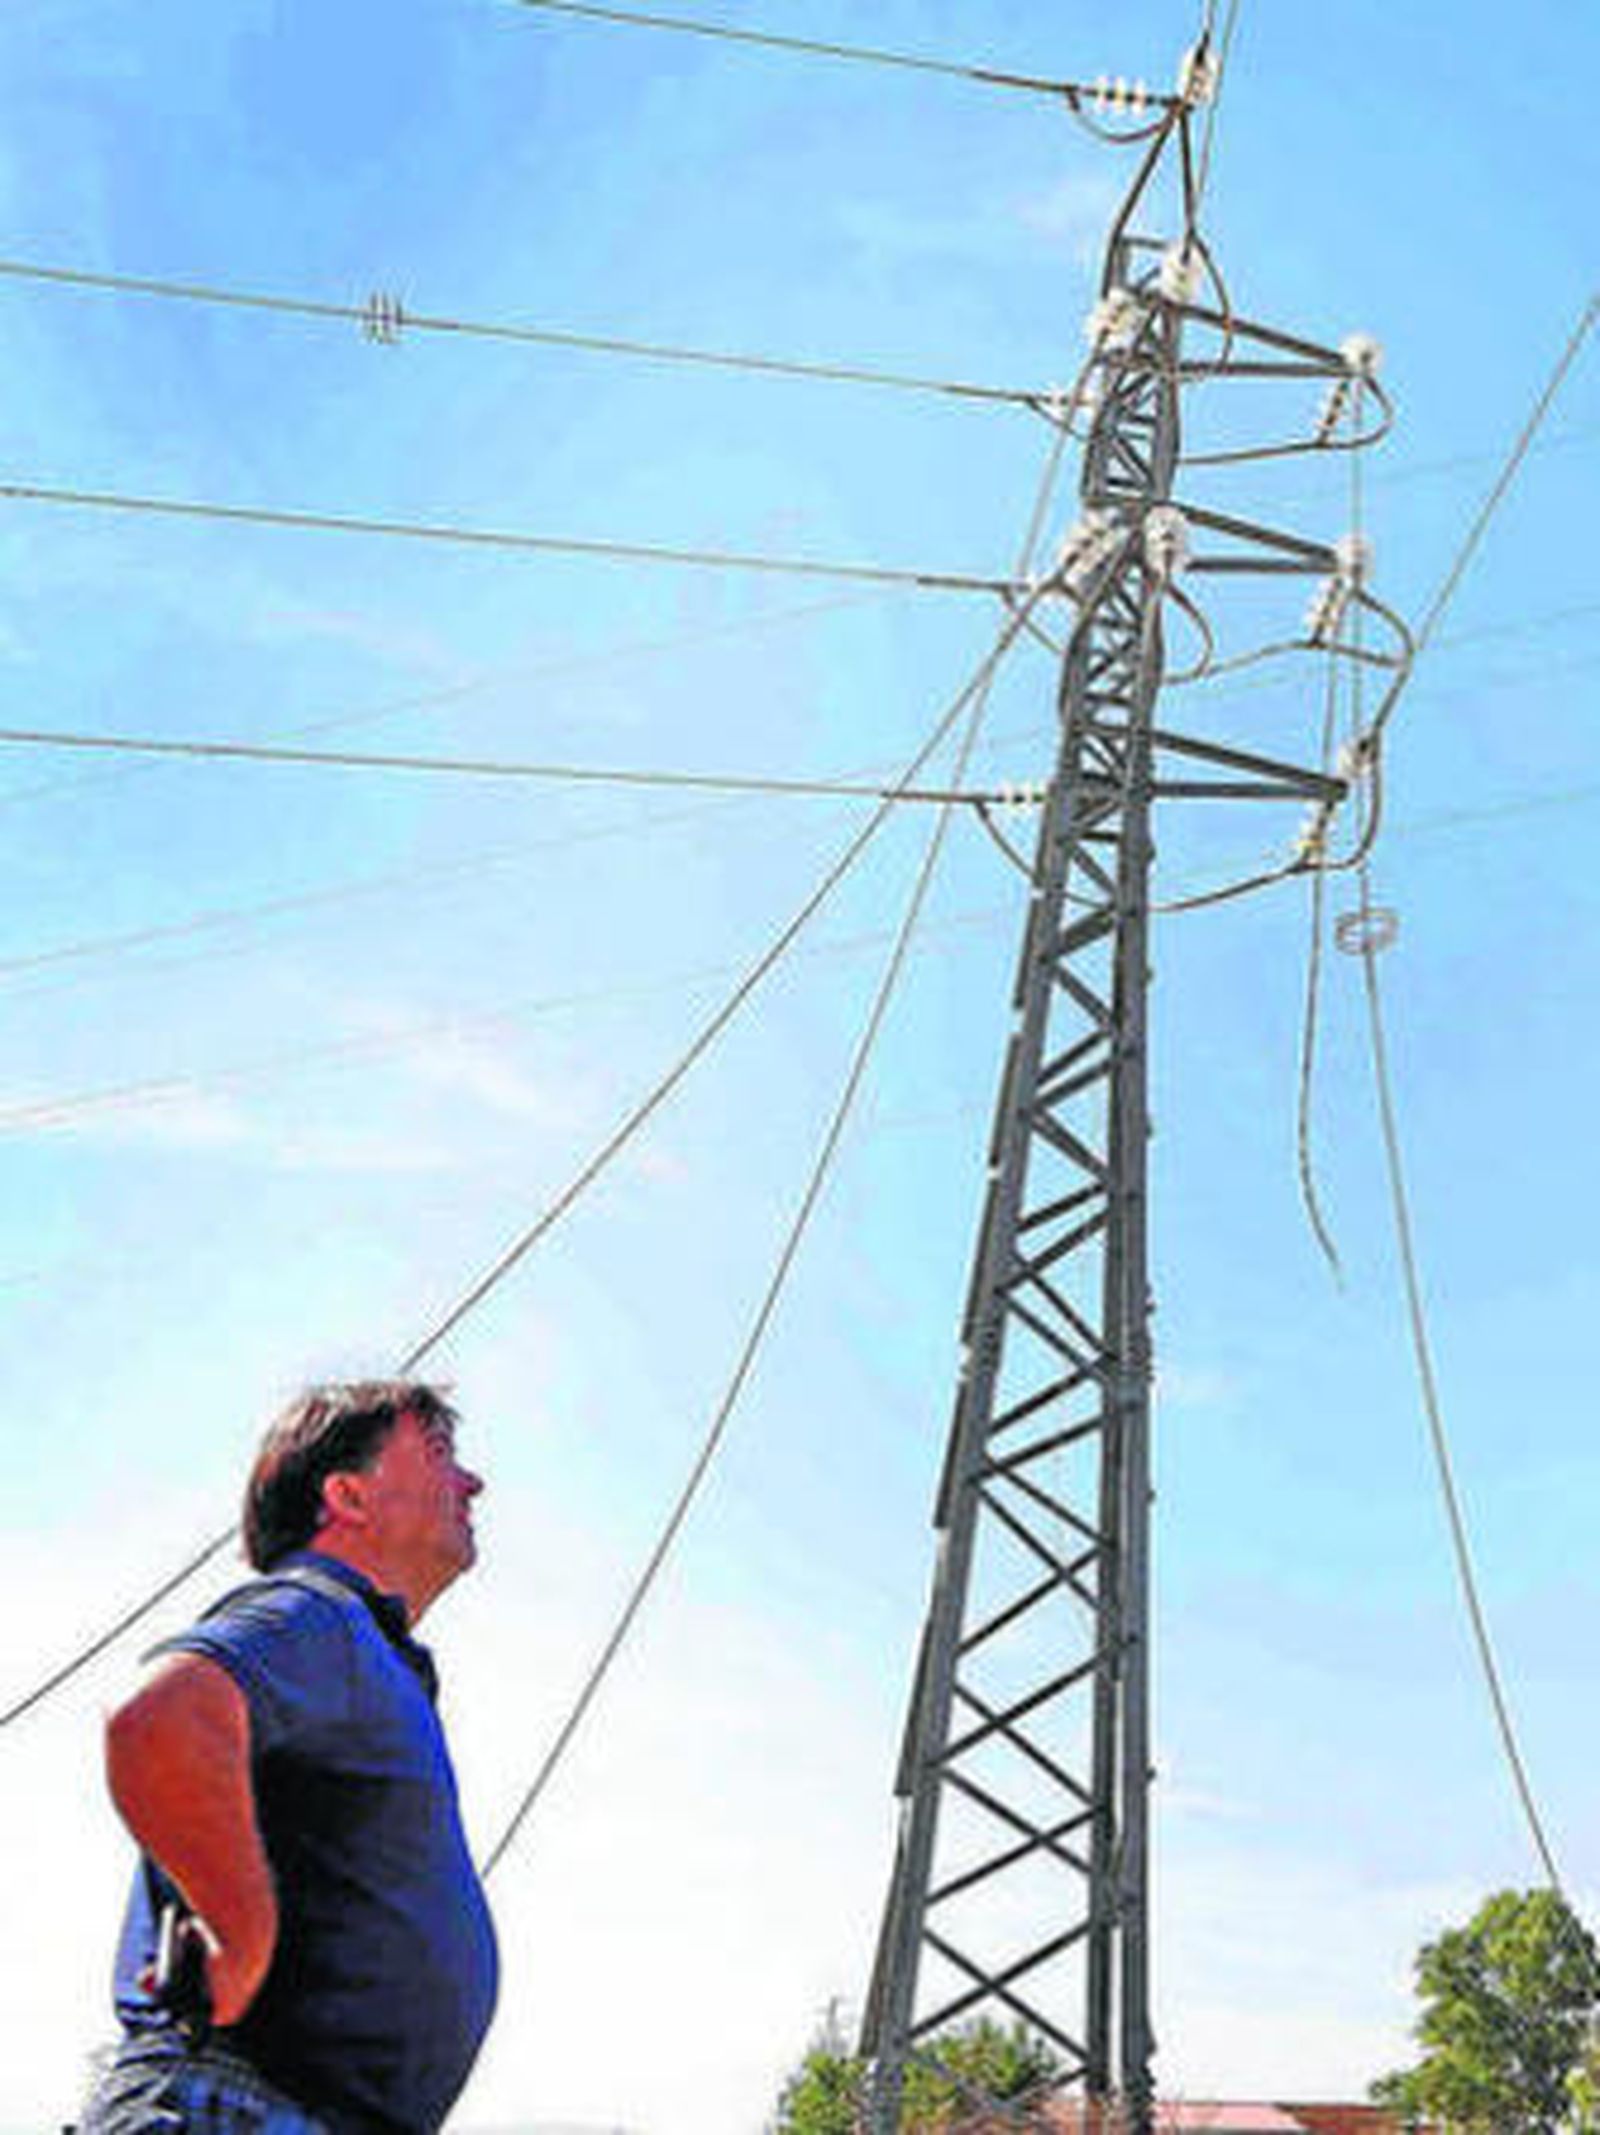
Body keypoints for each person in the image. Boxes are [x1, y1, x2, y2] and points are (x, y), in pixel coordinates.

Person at [79, 1380, 498, 2135]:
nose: (472, 1482)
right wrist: (240, 1934)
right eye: (439, 1452)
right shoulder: (319, 1610)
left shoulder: (363, 1647)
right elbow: (161, 1717)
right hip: (239, 2105)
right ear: (347, 1495)